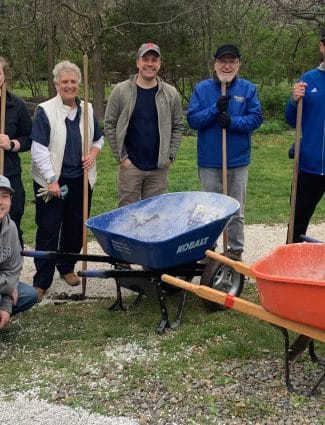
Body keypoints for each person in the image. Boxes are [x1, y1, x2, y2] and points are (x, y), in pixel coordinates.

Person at [31, 60, 104, 301]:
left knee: (75, 227)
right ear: (56, 84)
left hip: (79, 180)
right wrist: (51, 179)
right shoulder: (45, 110)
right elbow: (39, 149)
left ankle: (67, 266)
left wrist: (92, 155)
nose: (70, 86)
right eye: (65, 82)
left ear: (79, 84)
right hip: (52, 181)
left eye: (74, 82)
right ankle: (41, 280)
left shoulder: (88, 110)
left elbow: (98, 139)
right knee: (49, 229)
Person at [187, 44, 263, 261]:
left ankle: (235, 251)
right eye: (223, 61)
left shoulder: (248, 89)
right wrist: (214, 110)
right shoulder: (202, 89)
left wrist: (232, 122)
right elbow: (192, 120)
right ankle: (209, 250)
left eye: (232, 62)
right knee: (209, 210)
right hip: (210, 162)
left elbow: (256, 118)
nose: (227, 66)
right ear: (215, 63)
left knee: (236, 211)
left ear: (238, 64)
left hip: (237, 161)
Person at [104, 42, 183, 207]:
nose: (150, 64)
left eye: (154, 60)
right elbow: (110, 124)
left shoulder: (170, 93)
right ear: (137, 62)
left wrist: (170, 156)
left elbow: (177, 126)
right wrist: (122, 157)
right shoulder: (121, 91)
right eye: (145, 59)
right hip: (131, 166)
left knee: (154, 215)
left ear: (159, 64)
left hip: (158, 167)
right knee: (127, 215)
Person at [285, 30, 325, 243]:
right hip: (309, 167)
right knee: (297, 224)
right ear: (322, 47)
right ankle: (288, 270)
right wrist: (294, 100)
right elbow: (291, 119)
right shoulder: (308, 80)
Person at [0, 57, 33, 247]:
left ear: (4, 76)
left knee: (12, 222)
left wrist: (11, 143)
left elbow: (29, 138)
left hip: (9, 174)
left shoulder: (16, 105)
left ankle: (11, 273)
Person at [0, 175, 37, 330]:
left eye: (4, 197)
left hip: (2, 284)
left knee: (29, 294)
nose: (0, 202)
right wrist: (8, 288)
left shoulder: (11, 227)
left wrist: (6, 306)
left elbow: (13, 269)